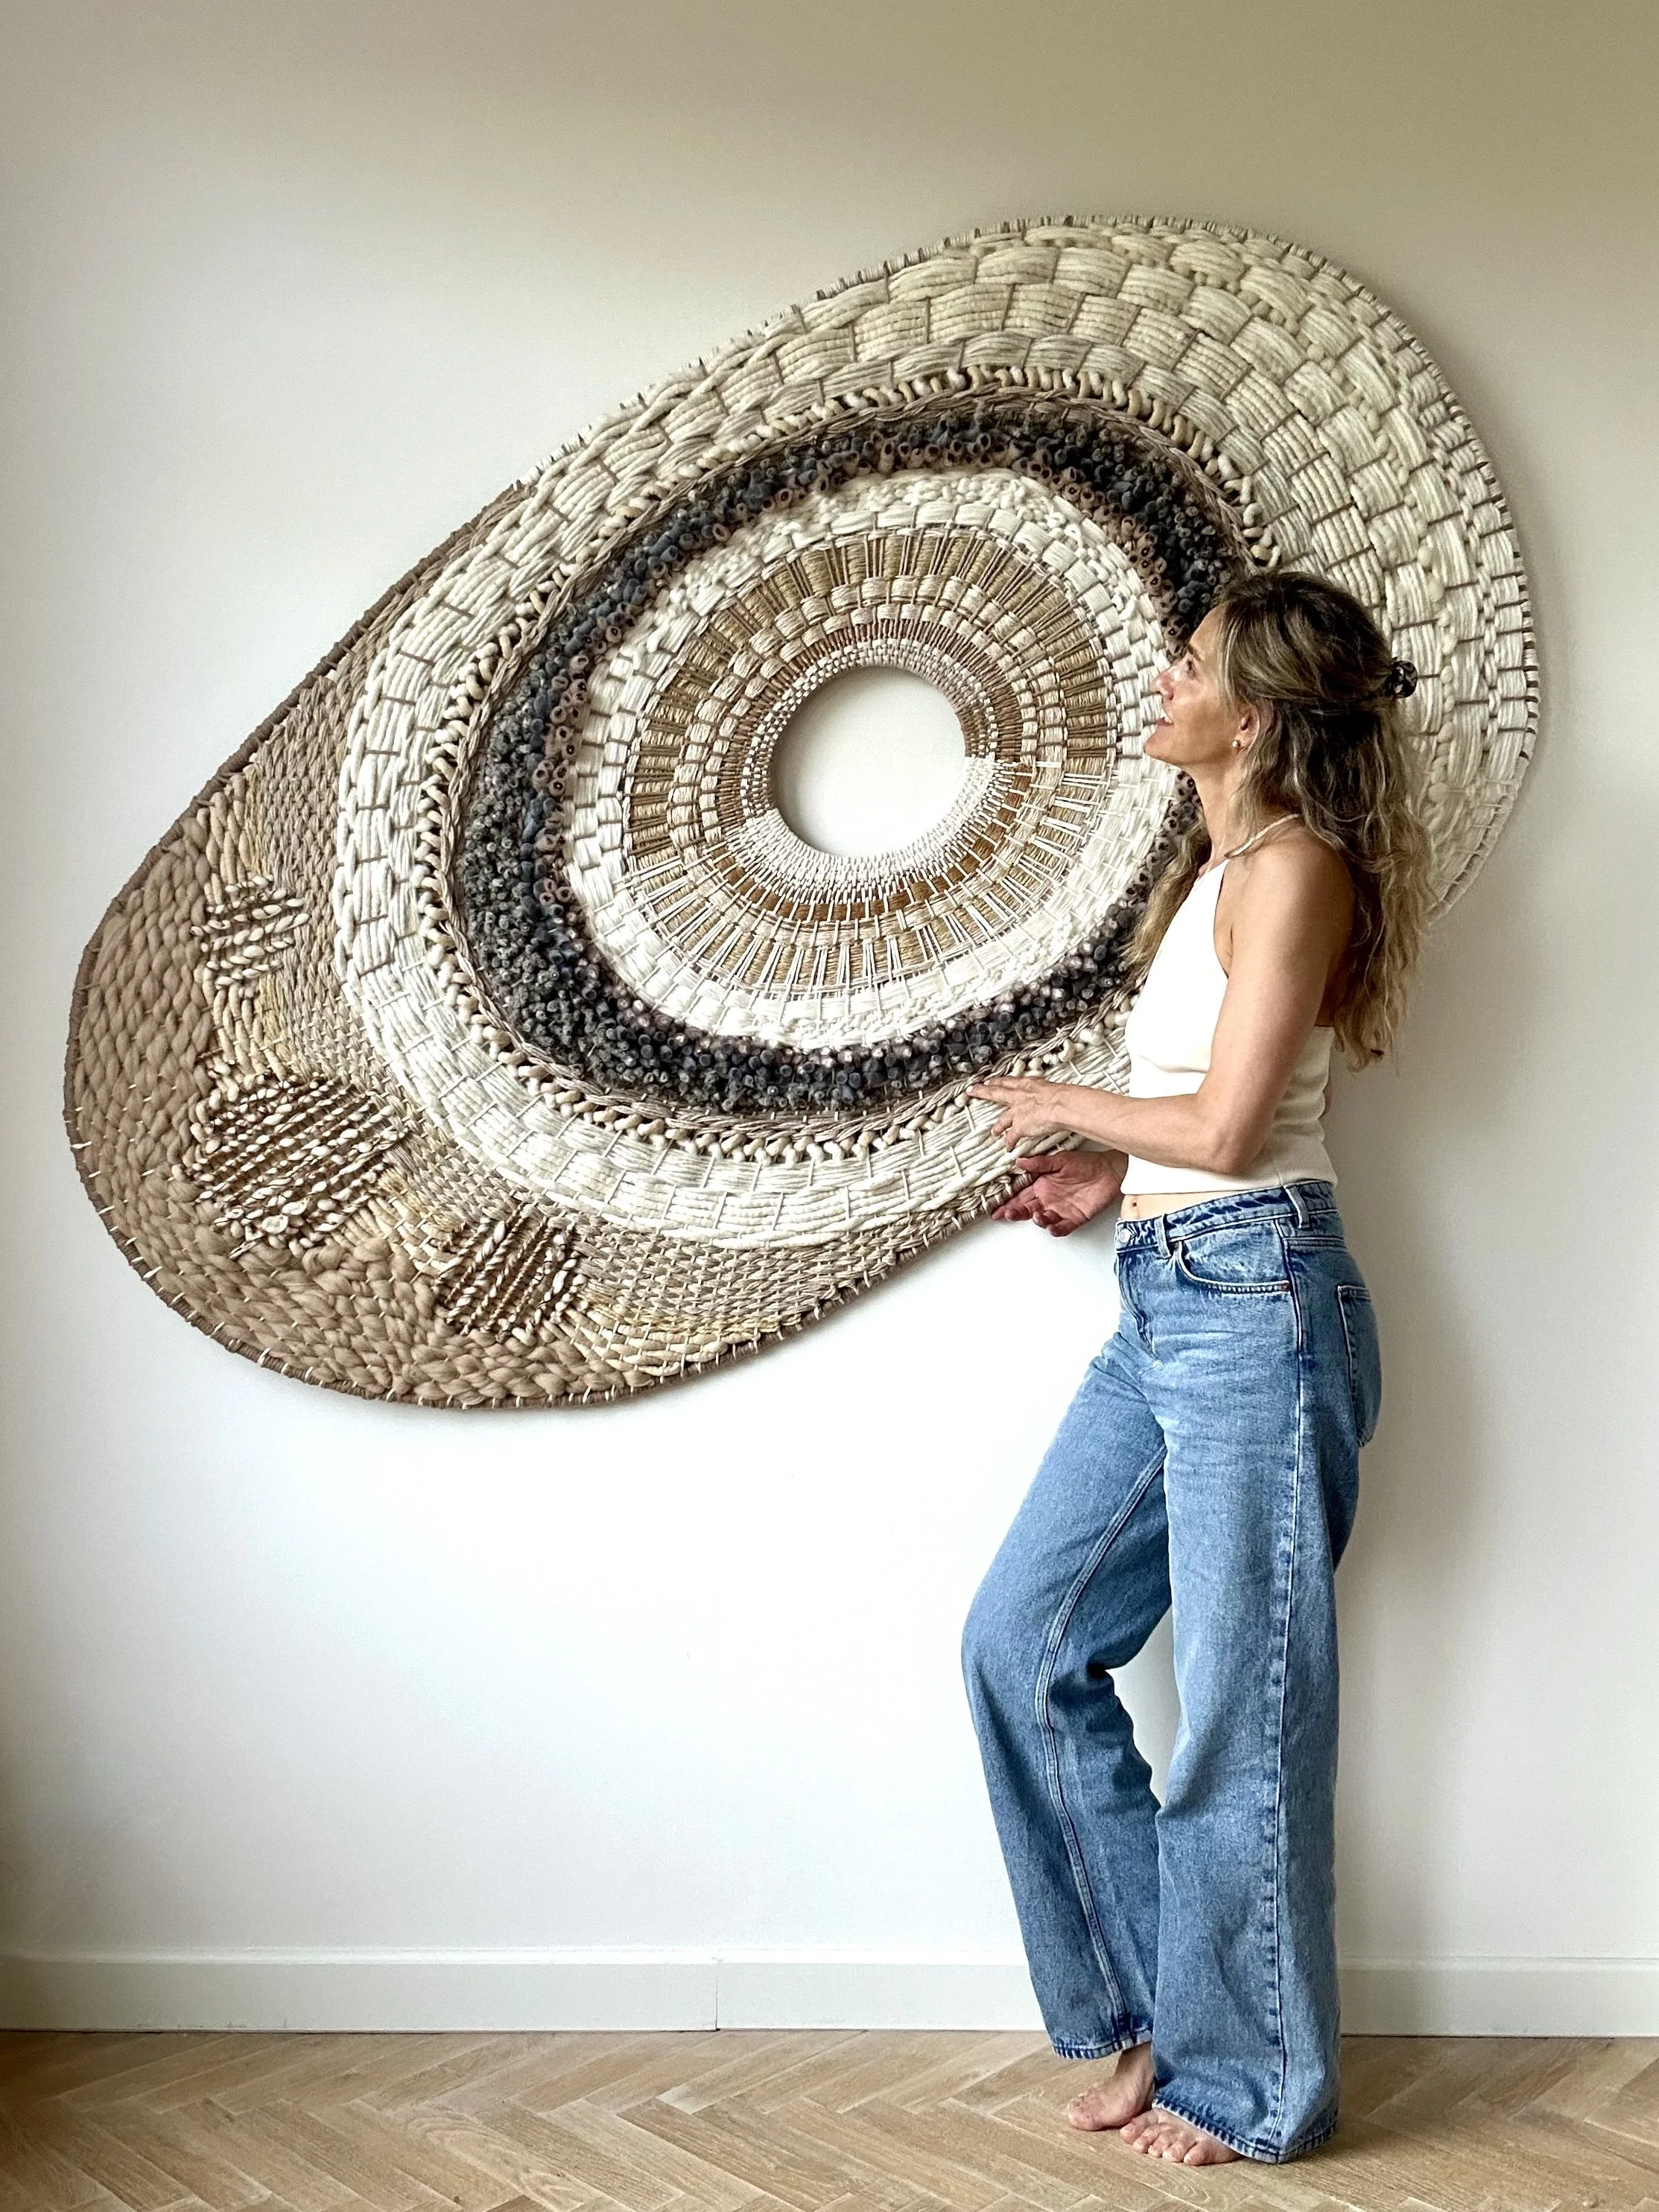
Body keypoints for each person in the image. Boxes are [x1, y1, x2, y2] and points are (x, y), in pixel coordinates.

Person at [961, 568, 1432, 2167]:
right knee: (1022, 1640)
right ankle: (1157, 2008)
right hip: (1176, 1290)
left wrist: (1070, 1109)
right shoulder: (1218, 865)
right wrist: (1117, 1181)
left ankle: (1250, 2083)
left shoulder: (1296, 865)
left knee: (1243, 1711)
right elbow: (1216, 1114)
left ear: (1259, 712)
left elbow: (1235, 1134)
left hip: (1260, 1303)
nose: (1165, 677)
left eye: (1194, 659)